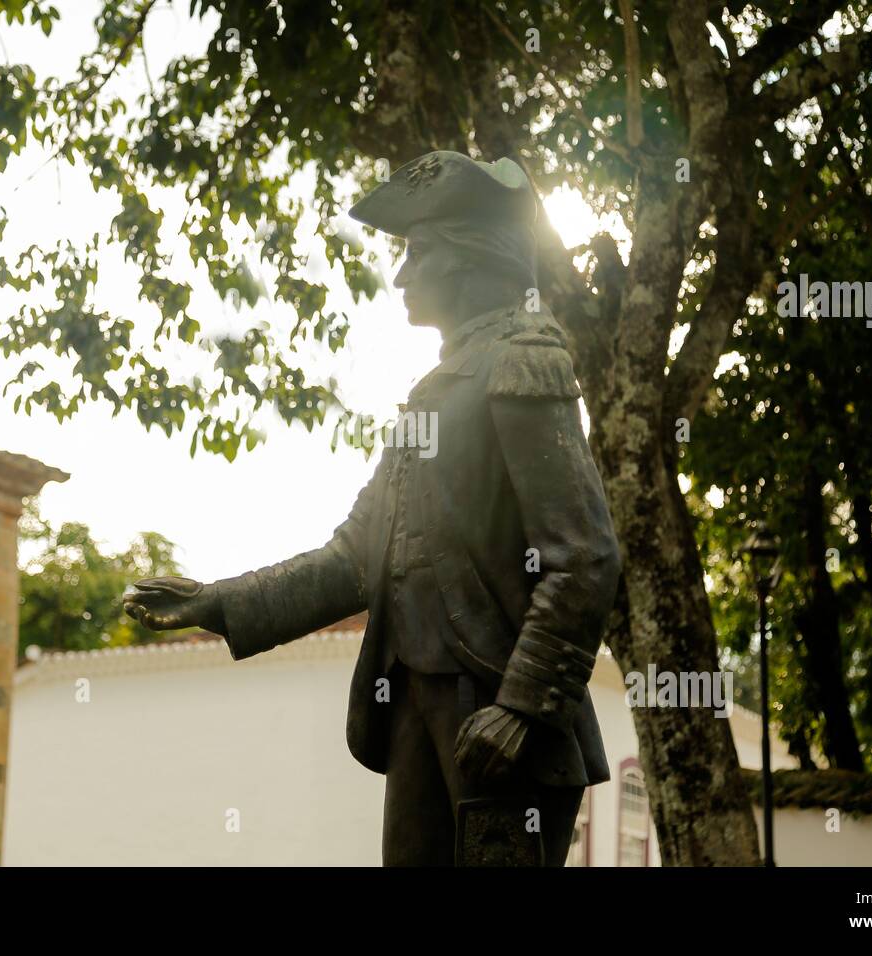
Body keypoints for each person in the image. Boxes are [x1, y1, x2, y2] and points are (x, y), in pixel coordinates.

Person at [124, 150, 622, 866]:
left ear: (470, 257)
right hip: (416, 699)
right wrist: (217, 602)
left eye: (419, 253)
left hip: (494, 709)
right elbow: (353, 559)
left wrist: (522, 706)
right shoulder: (432, 394)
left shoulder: (523, 358)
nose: (400, 274)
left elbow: (585, 556)